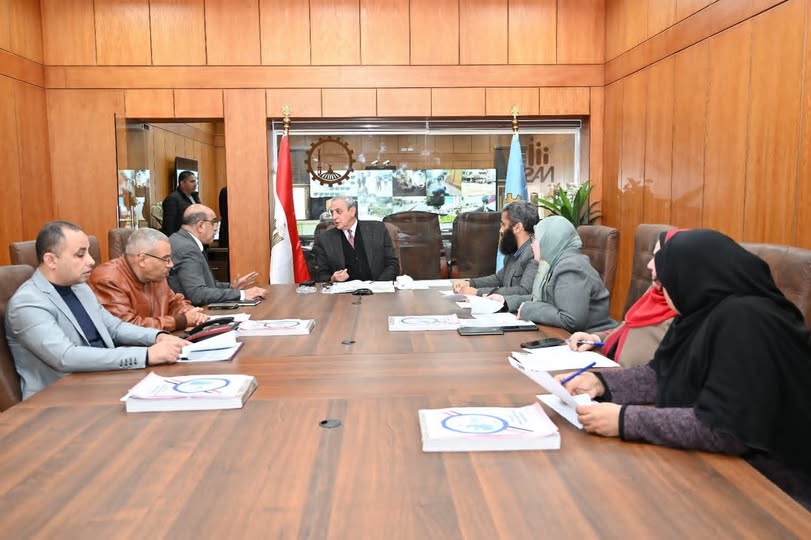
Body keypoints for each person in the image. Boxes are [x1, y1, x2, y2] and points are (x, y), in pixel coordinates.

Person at [559, 229, 811, 509]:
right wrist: (600, 383)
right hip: (712, 467)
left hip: (773, 488)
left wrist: (624, 420)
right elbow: (659, 373)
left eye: (664, 282)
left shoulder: (747, 321)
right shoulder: (699, 311)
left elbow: (726, 430)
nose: (660, 290)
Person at [5, 221, 187, 399]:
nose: (91, 261)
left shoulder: (79, 287)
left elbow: (115, 328)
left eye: (88, 252)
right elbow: (65, 357)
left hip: (102, 381)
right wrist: (146, 355)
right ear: (51, 260)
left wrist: (157, 337)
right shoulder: (28, 302)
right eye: (80, 255)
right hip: (59, 398)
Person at [567, 229, 686, 367]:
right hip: (612, 369)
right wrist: (595, 338)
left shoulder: (684, 314)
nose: (649, 265)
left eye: (658, 258)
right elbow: (630, 329)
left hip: (627, 376)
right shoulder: (656, 292)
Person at [487, 216, 615, 332]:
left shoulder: (571, 267)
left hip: (592, 341)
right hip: (567, 337)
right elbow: (544, 300)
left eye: (535, 239)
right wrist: (505, 301)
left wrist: (528, 310)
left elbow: (570, 320)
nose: (532, 244)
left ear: (551, 240)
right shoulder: (554, 262)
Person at [89, 228, 209, 332]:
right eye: (166, 259)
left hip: (161, 341)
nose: (171, 264)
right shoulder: (107, 279)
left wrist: (191, 313)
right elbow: (127, 328)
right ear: (142, 260)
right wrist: (180, 321)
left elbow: (174, 303)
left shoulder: (155, 275)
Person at [168, 204, 266, 306]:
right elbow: (197, 294)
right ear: (200, 226)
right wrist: (242, 294)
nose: (216, 228)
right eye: (213, 222)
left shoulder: (182, 241)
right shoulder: (186, 248)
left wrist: (231, 287)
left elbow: (206, 285)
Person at [453, 200, 539, 296]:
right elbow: (499, 279)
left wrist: (478, 292)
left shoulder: (533, 253)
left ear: (518, 227)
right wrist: (470, 283)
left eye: (503, 224)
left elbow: (524, 291)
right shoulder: (513, 250)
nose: (500, 230)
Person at [311, 196, 400, 283]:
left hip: (377, 288)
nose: (334, 217)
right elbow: (320, 274)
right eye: (332, 212)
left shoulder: (377, 230)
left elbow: (392, 264)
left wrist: (378, 285)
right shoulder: (324, 239)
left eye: (338, 211)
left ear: (352, 211)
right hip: (344, 291)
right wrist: (332, 278)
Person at [161, 171, 201, 236]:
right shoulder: (172, 199)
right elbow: (169, 225)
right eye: (192, 181)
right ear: (182, 183)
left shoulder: (195, 196)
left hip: (195, 235)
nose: (195, 184)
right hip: (182, 236)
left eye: (195, 181)